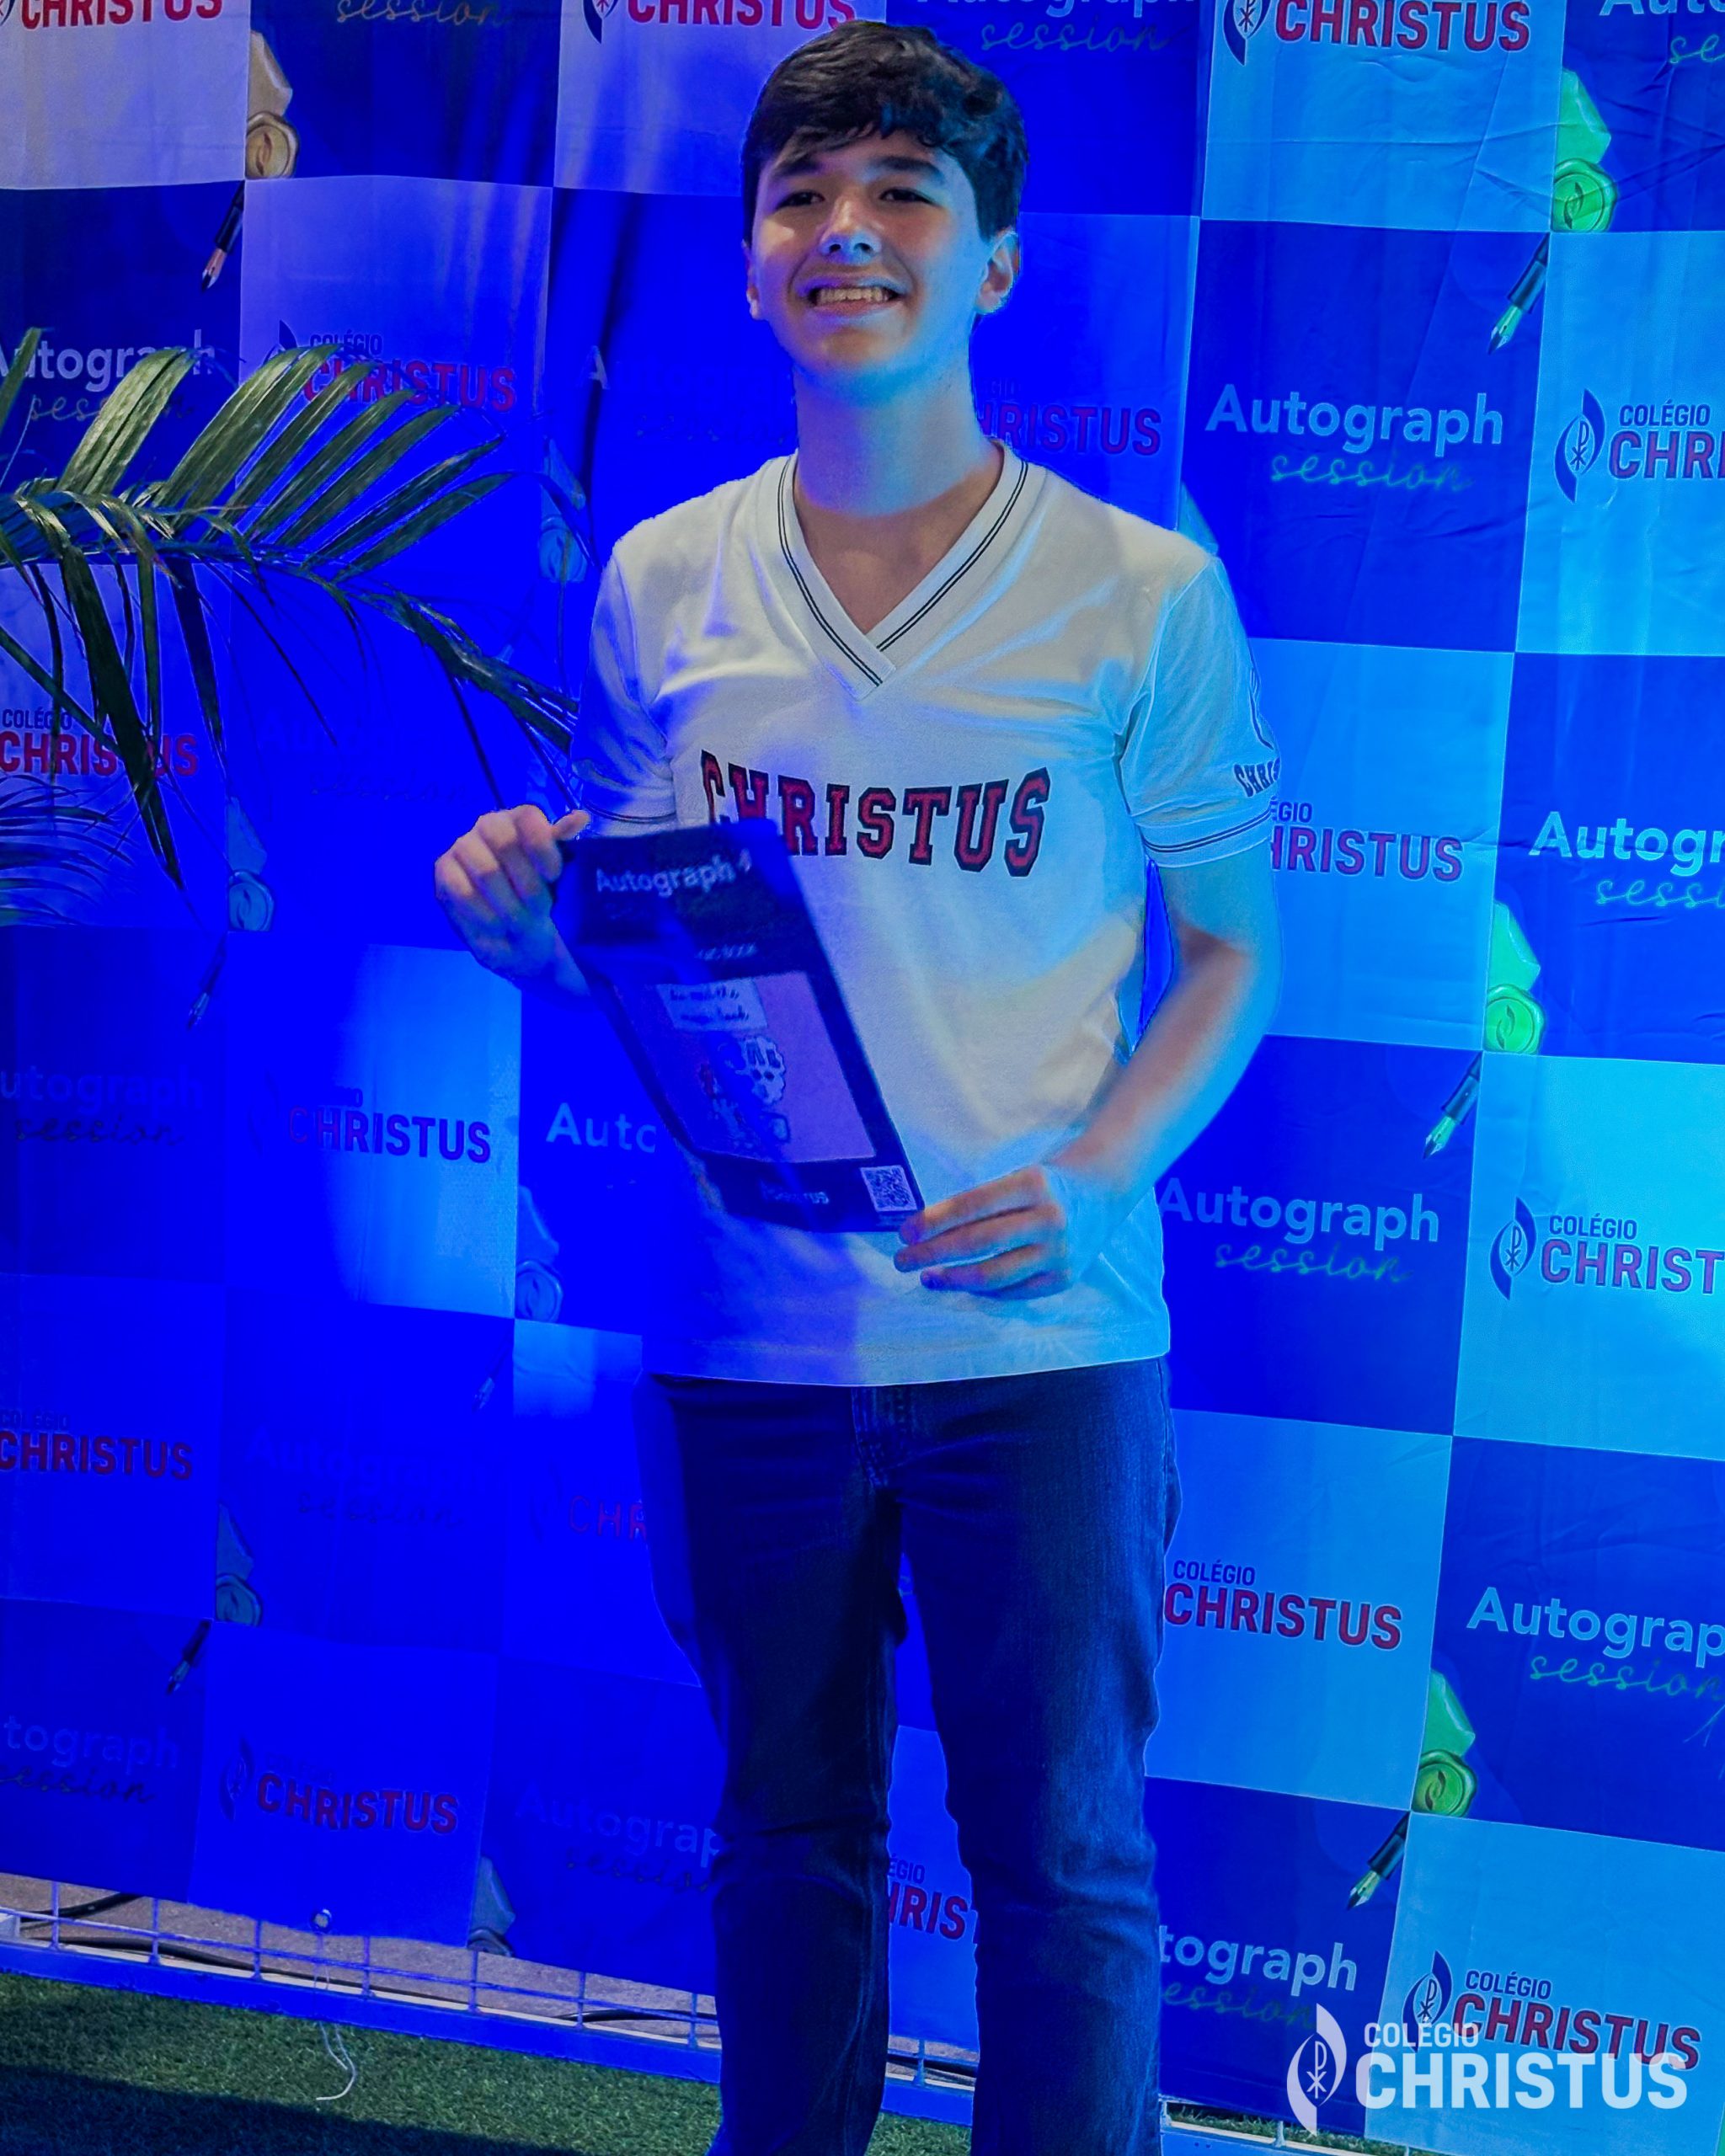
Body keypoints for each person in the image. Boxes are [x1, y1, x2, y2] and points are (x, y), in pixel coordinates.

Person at [434, 22, 1280, 2153]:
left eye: (904, 191)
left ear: (995, 261)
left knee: (1062, 1861)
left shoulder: (1142, 594)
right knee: (786, 1834)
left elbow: (1237, 952)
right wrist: (539, 940)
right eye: (800, 196)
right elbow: (653, 948)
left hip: (1040, 1341)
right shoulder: (662, 578)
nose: (847, 231)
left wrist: (1097, 1170)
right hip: (751, 1336)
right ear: (747, 262)